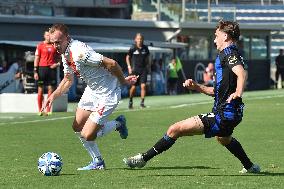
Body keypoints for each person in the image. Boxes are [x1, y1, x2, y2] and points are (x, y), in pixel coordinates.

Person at [123, 20, 260, 174]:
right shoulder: (229, 54)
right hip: (231, 113)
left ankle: (143, 159)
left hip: (224, 114)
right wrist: (196, 87)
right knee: (223, 138)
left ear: (226, 36)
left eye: (216, 36)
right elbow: (216, 91)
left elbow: (242, 73)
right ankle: (250, 166)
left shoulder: (228, 52)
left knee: (175, 129)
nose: (214, 40)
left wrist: (238, 92)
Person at [41, 23, 137, 170]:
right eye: (53, 43)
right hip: (92, 91)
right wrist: (53, 96)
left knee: (87, 134)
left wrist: (123, 81)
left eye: (58, 42)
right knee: (77, 127)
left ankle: (118, 124)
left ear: (67, 38)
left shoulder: (80, 52)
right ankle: (98, 162)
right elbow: (68, 79)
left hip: (107, 93)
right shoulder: (64, 53)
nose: (55, 46)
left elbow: (111, 63)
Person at [34, 29, 61, 116]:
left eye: (50, 35)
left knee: (50, 90)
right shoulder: (40, 45)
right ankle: (40, 109)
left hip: (51, 70)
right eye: (47, 35)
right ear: (44, 36)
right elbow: (36, 58)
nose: (48, 37)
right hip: (42, 69)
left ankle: (48, 109)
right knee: (40, 89)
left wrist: (56, 65)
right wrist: (35, 71)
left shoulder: (55, 46)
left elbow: (60, 58)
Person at [126, 33, 150, 109]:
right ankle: (130, 101)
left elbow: (148, 57)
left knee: (143, 86)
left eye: (141, 39)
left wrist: (148, 66)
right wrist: (129, 67)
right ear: (135, 39)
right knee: (133, 87)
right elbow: (127, 57)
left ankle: (142, 103)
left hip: (143, 70)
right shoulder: (133, 48)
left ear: (143, 40)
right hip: (135, 70)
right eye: (138, 38)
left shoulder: (145, 48)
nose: (139, 40)